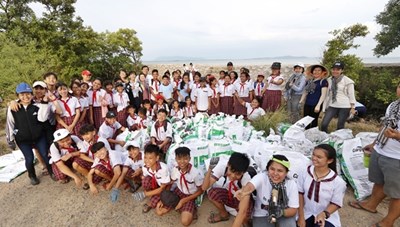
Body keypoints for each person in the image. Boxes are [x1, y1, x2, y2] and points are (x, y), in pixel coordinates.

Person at [349, 81, 400, 227]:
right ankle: (371, 205)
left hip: (397, 158)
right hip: (382, 149)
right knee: (379, 181)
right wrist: (375, 144)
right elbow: (385, 126)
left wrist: (398, 136)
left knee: (397, 194)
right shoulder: (394, 105)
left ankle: (388, 221)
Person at [6, 82, 54, 185]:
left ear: (31, 94)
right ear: (18, 96)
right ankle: (32, 176)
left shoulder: (37, 106)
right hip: (23, 139)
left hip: (38, 137)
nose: (25, 96)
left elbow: (42, 118)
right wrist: (10, 139)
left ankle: (52, 172)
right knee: (29, 158)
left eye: (28, 93)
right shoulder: (13, 108)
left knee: (45, 154)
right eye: (22, 94)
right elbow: (10, 124)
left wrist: (45, 104)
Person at [235, 154, 299, 227]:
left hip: (284, 214)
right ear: (267, 169)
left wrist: (281, 212)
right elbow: (250, 185)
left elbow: (293, 210)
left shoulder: (291, 184)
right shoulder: (262, 177)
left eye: (280, 171)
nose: (275, 173)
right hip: (263, 214)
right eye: (272, 169)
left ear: (286, 173)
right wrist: (244, 191)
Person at [297, 144, 346, 227]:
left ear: (329, 161)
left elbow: (336, 203)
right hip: (306, 212)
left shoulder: (338, 182)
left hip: (326, 216)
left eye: (319, 157)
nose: (314, 158)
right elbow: (300, 194)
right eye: (313, 155)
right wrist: (301, 217)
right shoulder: (304, 171)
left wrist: (324, 214)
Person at [155, 147, 204, 227]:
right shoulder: (175, 170)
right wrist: (164, 199)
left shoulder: (195, 173)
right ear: (176, 159)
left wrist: (183, 201)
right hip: (179, 191)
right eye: (179, 159)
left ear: (189, 159)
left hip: (190, 196)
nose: (182, 162)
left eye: (185, 159)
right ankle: (183, 208)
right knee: (159, 212)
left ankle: (187, 208)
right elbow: (170, 183)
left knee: (185, 222)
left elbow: (200, 191)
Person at [201, 152, 252, 226]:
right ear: (228, 164)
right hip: (231, 194)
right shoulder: (222, 167)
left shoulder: (246, 178)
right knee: (212, 193)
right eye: (231, 171)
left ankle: (245, 221)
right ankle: (224, 215)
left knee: (245, 215)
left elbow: (243, 210)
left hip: (241, 198)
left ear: (243, 172)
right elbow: (204, 187)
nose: (233, 176)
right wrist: (210, 169)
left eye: (238, 174)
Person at [132, 144, 170, 213]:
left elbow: (162, 188)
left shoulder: (163, 169)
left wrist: (144, 194)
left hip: (165, 187)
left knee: (154, 202)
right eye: (145, 157)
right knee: (145, 181)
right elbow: (145, 177)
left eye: (150, 158)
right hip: (156, 185)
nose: (147, 161)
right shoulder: (145, 167)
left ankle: (153, 199)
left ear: (157, 158)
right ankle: (153, 194)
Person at [321, 62, 357, 133]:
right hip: (332, 104)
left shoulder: (348, 81)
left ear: (342, 70)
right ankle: (325, 138)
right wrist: (324, 106)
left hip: (345, 106)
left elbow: (351, 95)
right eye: (333, 69)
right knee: (324, 124)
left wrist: (353, 108)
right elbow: (328, 93)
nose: (335, 71)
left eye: (338, 69)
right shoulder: (329, 80)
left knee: (340, 126)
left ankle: (338, 140)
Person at [300, 64, 329, 129]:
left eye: (319, 70)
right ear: (312, 72)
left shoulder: (323, 82)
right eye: (315, 70)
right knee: (305, 120)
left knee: (313, 121)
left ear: (322, 72)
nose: (316, 72)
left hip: (316, 104)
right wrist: (301, 101)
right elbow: (305, 92)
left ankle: (313, 135)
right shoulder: (310, 81)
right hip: (308, 103)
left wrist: (318, 105)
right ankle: (305, 135)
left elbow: (323, 95)